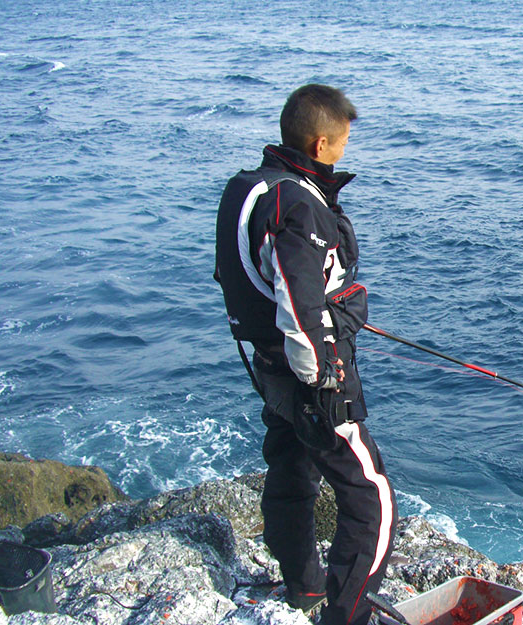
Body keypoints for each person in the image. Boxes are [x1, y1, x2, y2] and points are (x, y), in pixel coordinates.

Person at [214, 84, 396, 625]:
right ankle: (346, 617)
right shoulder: (297, 205)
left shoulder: (250, 188)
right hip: (306, 374)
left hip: (267, 365)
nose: (346, 149)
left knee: (291, 467)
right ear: (321, 145)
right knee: (372, 500)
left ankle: (304, 588)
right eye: (342, 141)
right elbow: (299, 302)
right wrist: (323, 380)